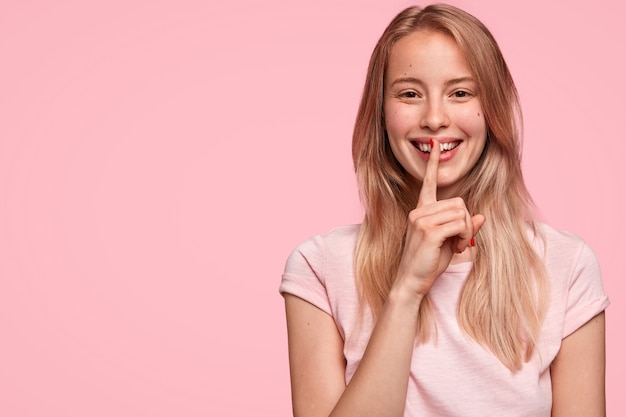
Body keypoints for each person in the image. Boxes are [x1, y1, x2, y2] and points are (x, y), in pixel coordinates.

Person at [279, 4, 609, 416]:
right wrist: (406, 290)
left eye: (460, 93)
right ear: (381, 113)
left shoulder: (567, 265)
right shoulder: (319, 268)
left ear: (492, 112)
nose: (435, 119)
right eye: (410, 94)